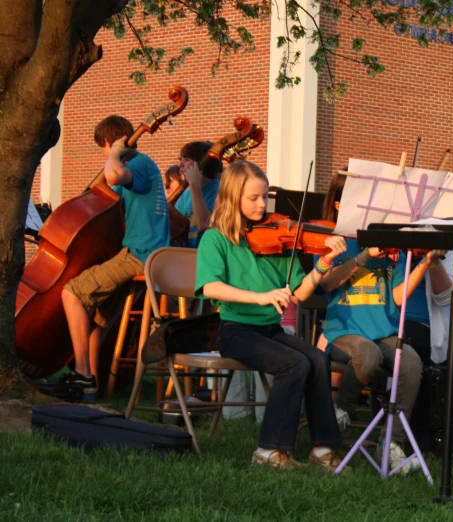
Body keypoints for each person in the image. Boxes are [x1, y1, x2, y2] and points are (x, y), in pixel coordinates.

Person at [195, 159, 348, 471]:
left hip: (270, 332)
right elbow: (211, 287)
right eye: (253, 198)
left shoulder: (274, 239)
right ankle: (268, 451)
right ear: (231, 198)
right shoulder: (216, 238)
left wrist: (323, 264)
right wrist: (261, 297)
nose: (262, 204)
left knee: (317, 359)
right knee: (294, 363)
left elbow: (300, 294)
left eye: (264, 196)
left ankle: (322, 449)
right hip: (236, 330)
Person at [317, 171, 424, 472]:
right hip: (344, 332)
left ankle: (392, 443)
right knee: (367, 354)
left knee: (412, 362)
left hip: (383, 330)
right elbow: (326, 284)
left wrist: (425, 263)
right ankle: (340, 412)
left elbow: (400, 297)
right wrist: (363, 255)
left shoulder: (392, 246)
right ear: (340, 205)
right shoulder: (336, 242)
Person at [60, 115, 169, 395]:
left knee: (71, 292)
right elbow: (107, 192)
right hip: (144, 252)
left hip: (139, 254)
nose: (104, 155)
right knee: (94, 313)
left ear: (112, 142)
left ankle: (82, 374)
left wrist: (116, 152)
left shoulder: (139, 164)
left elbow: (111, 175)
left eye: (103, 148)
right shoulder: (138, 168)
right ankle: (91, 383)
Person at [175, 141, 223, 248]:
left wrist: (194, 183)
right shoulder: (185, 196)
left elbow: (204, 224)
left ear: (202, 164)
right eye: (180, 159)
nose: (180, 164)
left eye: (186, 160)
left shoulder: (221, 190)